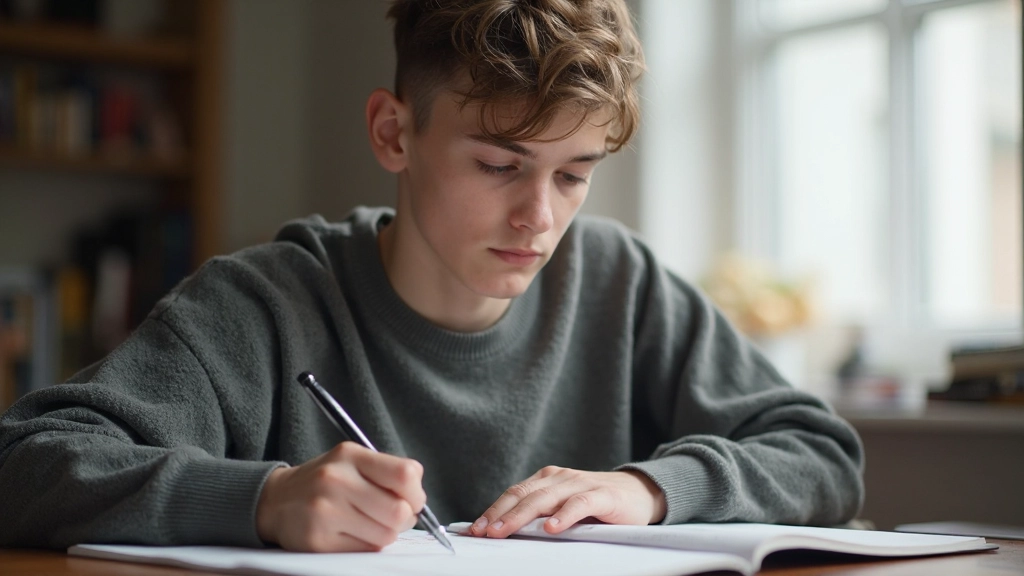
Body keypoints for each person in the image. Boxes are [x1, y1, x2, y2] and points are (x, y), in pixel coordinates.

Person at [0, 0, 863, 553]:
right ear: (393, 133)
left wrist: (649, 487)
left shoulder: (620, 284)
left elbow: (821, 452)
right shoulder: (263, 304)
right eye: (498, 165)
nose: (541, 219)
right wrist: (260, 499)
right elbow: (26, 465)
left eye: (574, 173)